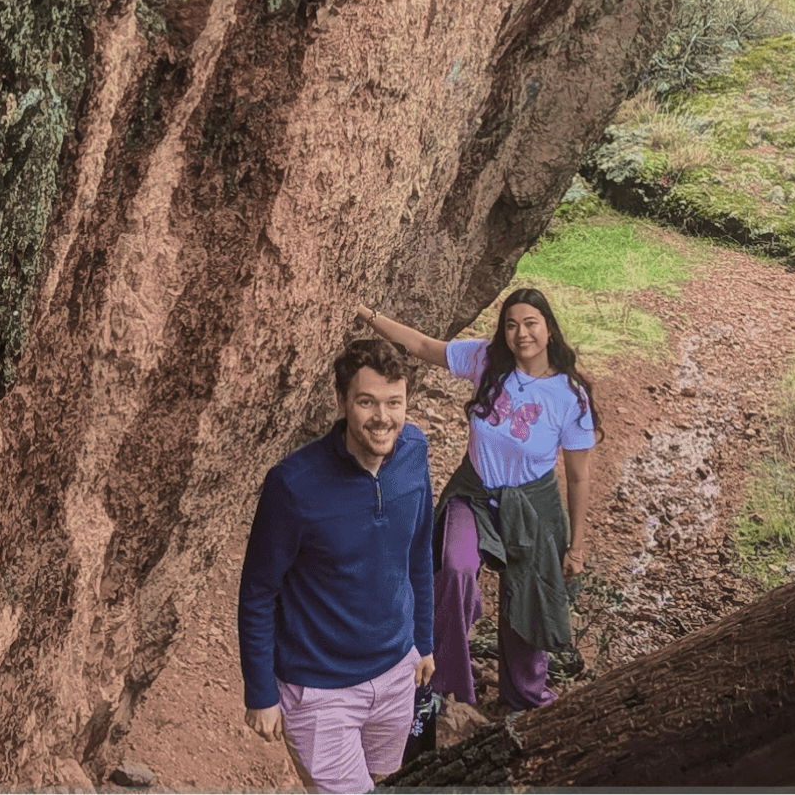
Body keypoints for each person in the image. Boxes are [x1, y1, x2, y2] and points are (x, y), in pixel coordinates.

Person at [359, 288, 597, 713]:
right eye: (511, 325)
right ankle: (446, 683)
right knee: (455, 568)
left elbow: (578, 478)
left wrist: (576, 546)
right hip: (474, 494)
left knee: (527, 599)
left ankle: (524, 697)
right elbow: (423, 346)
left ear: (548, 328)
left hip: (533, 505)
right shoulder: (486, 360)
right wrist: (367, 314)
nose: (521, 334)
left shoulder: (570, 396)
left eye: (530, 323)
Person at [237, 335, 437, 794]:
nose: (382, 417)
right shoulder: (293, 485)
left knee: (384, 781)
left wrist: (423, 642)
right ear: (342, 401)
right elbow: (258, 592)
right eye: (367, 402)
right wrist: (261, 692)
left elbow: (419, 551)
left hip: (396, 671)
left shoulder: (414, 453)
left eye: (394, 402)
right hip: (318, 689)